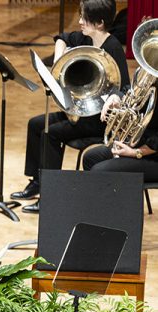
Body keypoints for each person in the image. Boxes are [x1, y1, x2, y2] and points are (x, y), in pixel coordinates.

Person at [11, 0, 129, 213]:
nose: (80, 21)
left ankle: (50, 194)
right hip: (80, 112)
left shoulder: (112, 47)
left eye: (85, 18)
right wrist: (58, 60)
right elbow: (62, 37)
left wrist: (115, 98)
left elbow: (125, 86)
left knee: (51, 133)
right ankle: (36, 181)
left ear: (100, 22)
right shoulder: (85, 38)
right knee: (36, 124)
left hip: (98, 120)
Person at [83, 90, 158, 178]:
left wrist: (136, 152)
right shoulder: (151, 78)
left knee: (99, 171)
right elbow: (129, 91)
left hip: (153, 155)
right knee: (90, 158)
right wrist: (115, 97)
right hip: (138, 143)